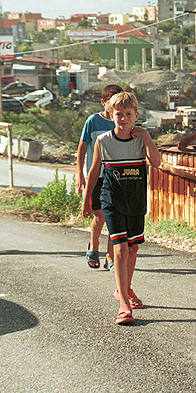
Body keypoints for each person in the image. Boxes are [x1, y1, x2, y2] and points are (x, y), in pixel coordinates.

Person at [82, 92, 161, 325]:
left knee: (133, 249)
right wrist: (87, 200)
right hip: (112, 201)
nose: (124, 119)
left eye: (128, 114)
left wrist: (146, 137)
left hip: (135, 202)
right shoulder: (103, 141)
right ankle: (124, 304)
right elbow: (94, 172)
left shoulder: (141, 139)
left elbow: (156, 162)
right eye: (119, 114)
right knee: (121, 250)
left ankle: (124, 289)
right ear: (110, 115)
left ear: (136, 115)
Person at [76, 84, 123, 269]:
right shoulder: (93, 121)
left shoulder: (121, 121)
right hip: (96, 176)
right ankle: (93, 246)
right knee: (99, 216)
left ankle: (110, 257)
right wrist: (80, 174)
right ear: (103, 102)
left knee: (114, 217)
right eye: (111, 102)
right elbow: (82, 147)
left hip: (116, 176)